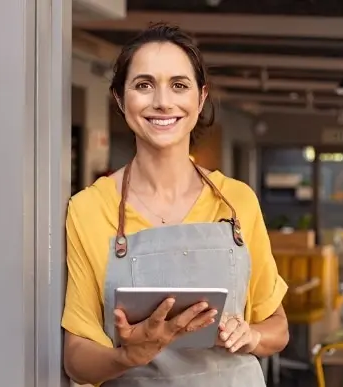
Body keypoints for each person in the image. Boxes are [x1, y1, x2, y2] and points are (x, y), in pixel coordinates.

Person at [62, 24, 289, 387]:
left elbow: (277, 326)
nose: (163, 102)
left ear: (200, 99)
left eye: (179, 85)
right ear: (120, 99)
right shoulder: (90, 208)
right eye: (143, 85)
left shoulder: (236, 202)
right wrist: (128, 355)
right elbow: (76, 357)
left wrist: (252, 336)